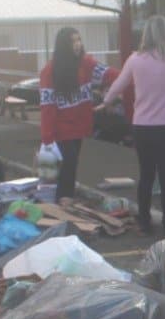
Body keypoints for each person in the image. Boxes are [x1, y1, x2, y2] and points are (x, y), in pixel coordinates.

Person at [98, 15, 165, 235]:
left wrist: (106, 101)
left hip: (142, 126)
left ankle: (144, 222)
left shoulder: (135, 59)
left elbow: (119, 84)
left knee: (146, 176)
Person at [39, 27, 119, 200]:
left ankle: (64, 201)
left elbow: (110, 74)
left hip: (78, 127)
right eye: (72, 41)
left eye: (78, 40)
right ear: (63, 45)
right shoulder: (49, 71)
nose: (77, 44)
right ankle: (62, 202)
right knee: (67, 166)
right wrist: (47, 137)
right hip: (60, 130)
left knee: (70, 167)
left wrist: (130, 77)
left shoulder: (86, 63)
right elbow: (47, 107)